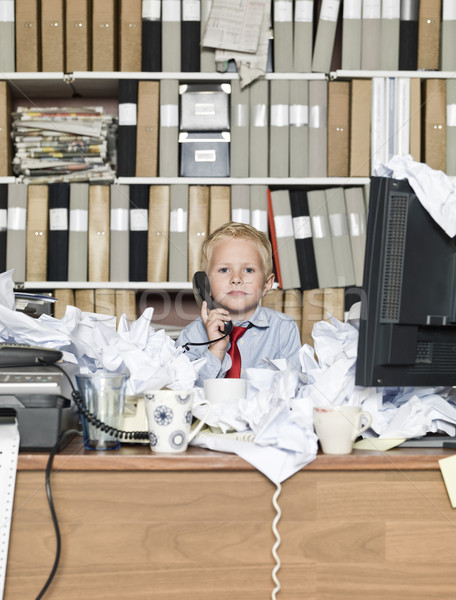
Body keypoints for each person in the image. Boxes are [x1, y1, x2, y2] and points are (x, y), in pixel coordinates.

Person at [176, 222, 302, 386]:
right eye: (224, 270)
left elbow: (294, 390)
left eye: (248, 270)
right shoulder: (191, 336)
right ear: (206, 284)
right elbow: (184, 392)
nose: (236, 279)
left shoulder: (284, 329)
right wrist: (216, 350)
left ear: (267, 284)